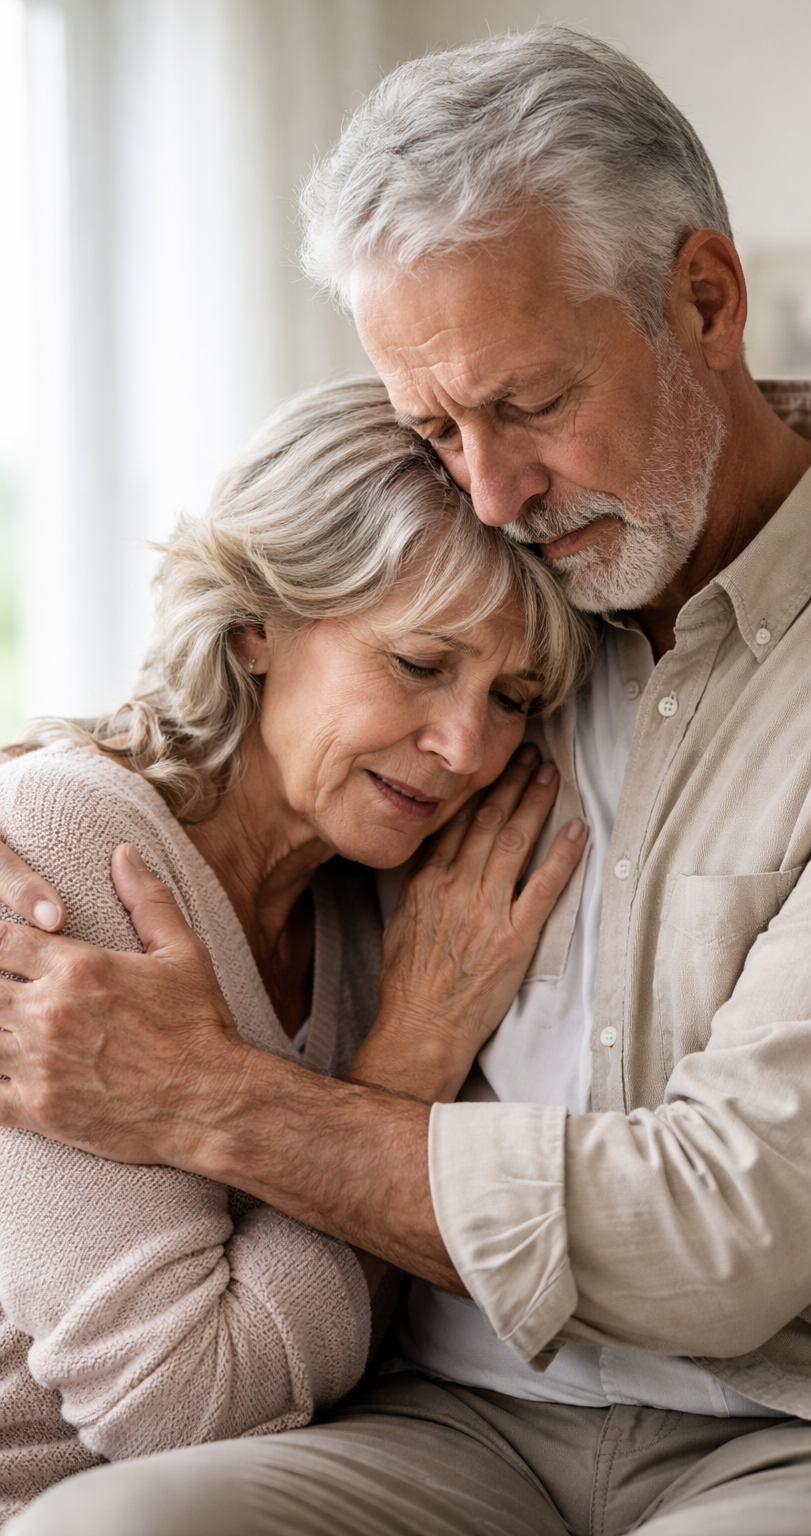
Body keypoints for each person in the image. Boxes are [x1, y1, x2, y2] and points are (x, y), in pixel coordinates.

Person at [1, 25, 811, 1536]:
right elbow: (266, 728)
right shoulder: (529, 597)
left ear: (706, 299)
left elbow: (730, 1228)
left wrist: (216, 1099)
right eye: (434, 427)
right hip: (441, 1412)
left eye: (528, 404)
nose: (486, 492)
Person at [0, 376, 592, 1525]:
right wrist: (411, 1053)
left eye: (513, 697)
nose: (466, 745)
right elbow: (187, 1405)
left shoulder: (371, 894)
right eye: (420, 665)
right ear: (257, 624)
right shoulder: (71, 849)